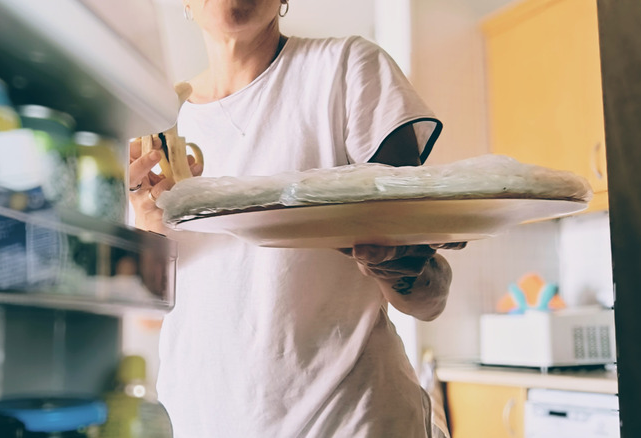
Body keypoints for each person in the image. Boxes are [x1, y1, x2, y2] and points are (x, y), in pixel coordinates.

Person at [127, 0, 460, 436]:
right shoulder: (155, 120)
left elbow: (428, 294)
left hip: (349, 421)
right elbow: (147, 315)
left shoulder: (345, 68)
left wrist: (397, 259)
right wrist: (149, 229)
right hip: (199, 422)